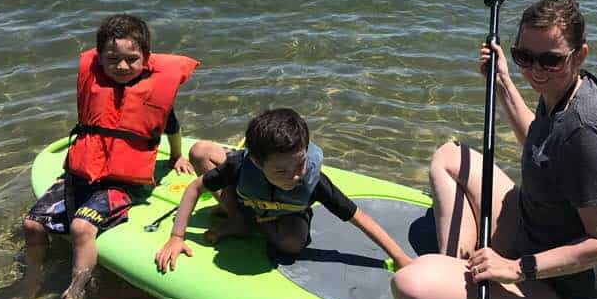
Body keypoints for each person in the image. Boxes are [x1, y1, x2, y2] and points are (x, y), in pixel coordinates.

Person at [391, 0, 597, 299]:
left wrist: (517, 268)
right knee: (449, 157)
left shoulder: (586, 130)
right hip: (534, 229)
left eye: (551, 59)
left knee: (409, 284)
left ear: (580, 56)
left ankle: (456, 285)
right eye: (524, 57)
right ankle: (458, 273)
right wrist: (501, 80)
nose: (536, 70)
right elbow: (539, 145)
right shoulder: (559, 92)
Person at [21, 14, 198, 299]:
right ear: (99, 57)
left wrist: (176, 156)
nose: (122, 66)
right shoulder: (94, 83)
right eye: (112, 59)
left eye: (132, 59)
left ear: (146, 59)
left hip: (123, 184)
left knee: (80, 227)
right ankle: (33, 277)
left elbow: (171, 125)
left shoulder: (153, 91)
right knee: (32, 223)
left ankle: (74, 298)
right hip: (81, 174)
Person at [154, 108, 412, 273]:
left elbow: (358, 217)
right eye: (282, 171)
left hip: (285, 211)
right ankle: (239, 221)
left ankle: (254, 221)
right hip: (248, 196)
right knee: (200, 152)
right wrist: (177, 236)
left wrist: (400, 258)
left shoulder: (311, 181)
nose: (295, 176)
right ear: (256, 161)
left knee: (291, 244)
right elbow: (194, 188)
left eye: (300, 164)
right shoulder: (241, 165)